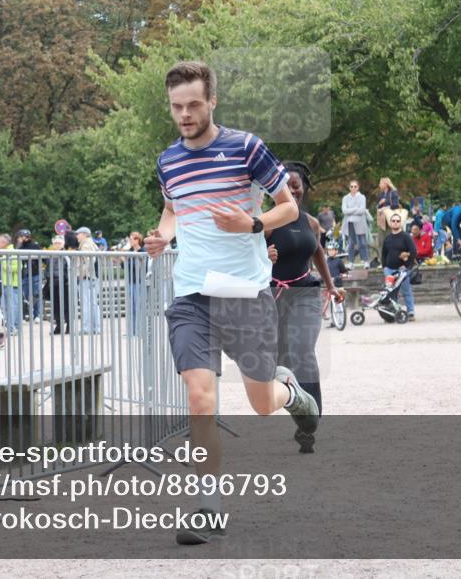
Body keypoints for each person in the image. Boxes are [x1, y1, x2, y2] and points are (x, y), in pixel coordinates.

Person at [144, 60, 318, 545]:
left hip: (244, 292)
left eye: (194, 105)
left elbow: (289, 205)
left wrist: (254, 224)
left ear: (212, 101)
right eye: (177, 106)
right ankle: (208, 506)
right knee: (200, 399)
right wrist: (162, 236)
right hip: (192, 294)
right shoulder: (168, 160)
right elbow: (172, 208)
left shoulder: (246, 147)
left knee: (261, 402)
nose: (185, 114)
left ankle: (292, 395)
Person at [265, 161, 344, 452]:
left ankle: (310, 424)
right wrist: (264, 253)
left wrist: (331, 285)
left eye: (296, 186)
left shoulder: (312, 223)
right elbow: (247, 256)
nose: (292, 191)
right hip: (272, 297)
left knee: (303, 353)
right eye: (286, 187)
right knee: (279, 362)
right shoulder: (267, 223)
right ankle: (297, 404)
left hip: (305, 293)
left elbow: (319, 253)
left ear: (304, 188)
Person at [381, 212, 418, 321]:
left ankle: (410, 312)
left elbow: (414, 252)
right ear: (390, 223)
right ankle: (395, 312)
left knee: (406, 291)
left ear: (400, 223)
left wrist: (406, 265)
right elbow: (383, 254)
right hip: (389, 269)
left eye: (398, 221)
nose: (395, 222)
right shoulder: (387, 238)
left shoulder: (406, 237)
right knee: (391, 292)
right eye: (393, 221)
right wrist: (384, 267)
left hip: (402, 270)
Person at [75, 227, 101, 334]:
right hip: (93, 277)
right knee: (94, 303)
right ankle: (96, 327)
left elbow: (89, 261)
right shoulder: (92, 243)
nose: (76, 236)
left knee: (86, 303)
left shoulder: (85, 245)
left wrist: (81, 274)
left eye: (78, 234)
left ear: (85, 234)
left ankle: (86, 327)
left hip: (87, 277)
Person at [122, 232, 146, 337]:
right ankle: (132, 330)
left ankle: (139, 330)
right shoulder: (130, 252)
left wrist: (126, 260)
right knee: (131, 307)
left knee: (138, 306)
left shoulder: (142, 252)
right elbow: (125, 266)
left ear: (137, 240)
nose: (130, 241)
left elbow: (139, 267)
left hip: (139, 282)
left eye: (132, 239)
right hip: (131, 282)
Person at [341, 180, 370, 268]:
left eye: (355, 186)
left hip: (360, 223)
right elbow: (344, 211)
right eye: (351, 186)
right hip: (349, 223)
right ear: (349, 187)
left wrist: (351, 210)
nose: (353, 188)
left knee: (362, 243)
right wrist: (355, 209)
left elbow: (362, 210)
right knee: (351, 243)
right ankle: (350, 262)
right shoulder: (345, 198)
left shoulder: (362, 197)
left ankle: (365, 261)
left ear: (358, 187)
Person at [0, 234, 22, 337]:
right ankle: (12, 327)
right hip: (6, 283)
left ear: (4, 242)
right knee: (7, 307)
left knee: (12, 306)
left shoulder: (11, 252)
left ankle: (13, 327)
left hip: (12, 284)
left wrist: (4, 264)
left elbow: (17, 267)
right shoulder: (4, 252)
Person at [16, 229, 43, 322]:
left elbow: (43, 259)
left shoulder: (35, 246)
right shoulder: (19, 248)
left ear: (25, 237)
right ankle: (25, 315)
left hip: (35, 274)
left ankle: (37, 315)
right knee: (24, 296)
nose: (18, 239)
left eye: (20, 237)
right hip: (25, 274)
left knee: (36, 294)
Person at [323, 245, 349, 323]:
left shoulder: (339, 261)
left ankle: (341, 320)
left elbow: (344, 273)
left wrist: (340, 276)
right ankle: (333, 321)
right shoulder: (326, 261)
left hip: (338, 285)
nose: (330, 251)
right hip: (330, 285)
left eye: (332, 250)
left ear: (336, 251)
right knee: (331, 304)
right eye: (329, 250)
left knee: (339, 303)